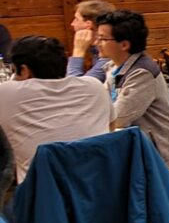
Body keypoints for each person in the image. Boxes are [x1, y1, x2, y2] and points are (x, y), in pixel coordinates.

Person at [0, 36, 110, 182]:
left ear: (25, 70)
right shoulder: (94, 86)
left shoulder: (5, 93)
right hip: (101, 185)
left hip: (42, 191)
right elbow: (111, 127)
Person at [96, 10, 169, 171]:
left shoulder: (142, 73)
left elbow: (118, 118)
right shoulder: (112, 67)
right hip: (133, 146)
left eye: (102, 38)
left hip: (158, 154)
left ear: (124, 45)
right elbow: (100, 104)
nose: (96, 42)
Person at [66, 0, 115, 81]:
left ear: (88, 24)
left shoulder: (107, 56)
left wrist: (78, 51)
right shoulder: (95, 50)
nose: (72, 24)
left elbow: (74, 86)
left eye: (76, 19)